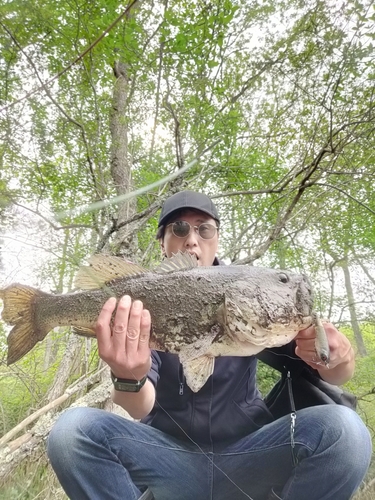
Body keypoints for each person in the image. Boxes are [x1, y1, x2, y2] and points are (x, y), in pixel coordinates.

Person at [47, 190, 372, 500]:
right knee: (71, 433)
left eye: (205, 229)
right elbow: (138, 407)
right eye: (179, 228)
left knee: (347, 433)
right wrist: (127, 375)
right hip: (168, 462)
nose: (192, 238)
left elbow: (334, 375)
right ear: (162, 243)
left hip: (251, 454)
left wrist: (340, 358)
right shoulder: (142, 301)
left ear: (216, 239)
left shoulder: (250, 293)